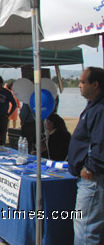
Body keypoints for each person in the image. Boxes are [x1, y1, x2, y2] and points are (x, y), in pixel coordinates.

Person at [68, 67, 104, 245]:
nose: (79, 86)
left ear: (95, 85)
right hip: (89, 178)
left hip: (93, 179)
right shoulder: (93, 105)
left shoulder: (101, 109)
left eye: (83, 82)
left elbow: (100, 143)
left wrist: (89, 167)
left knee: (86, 228)